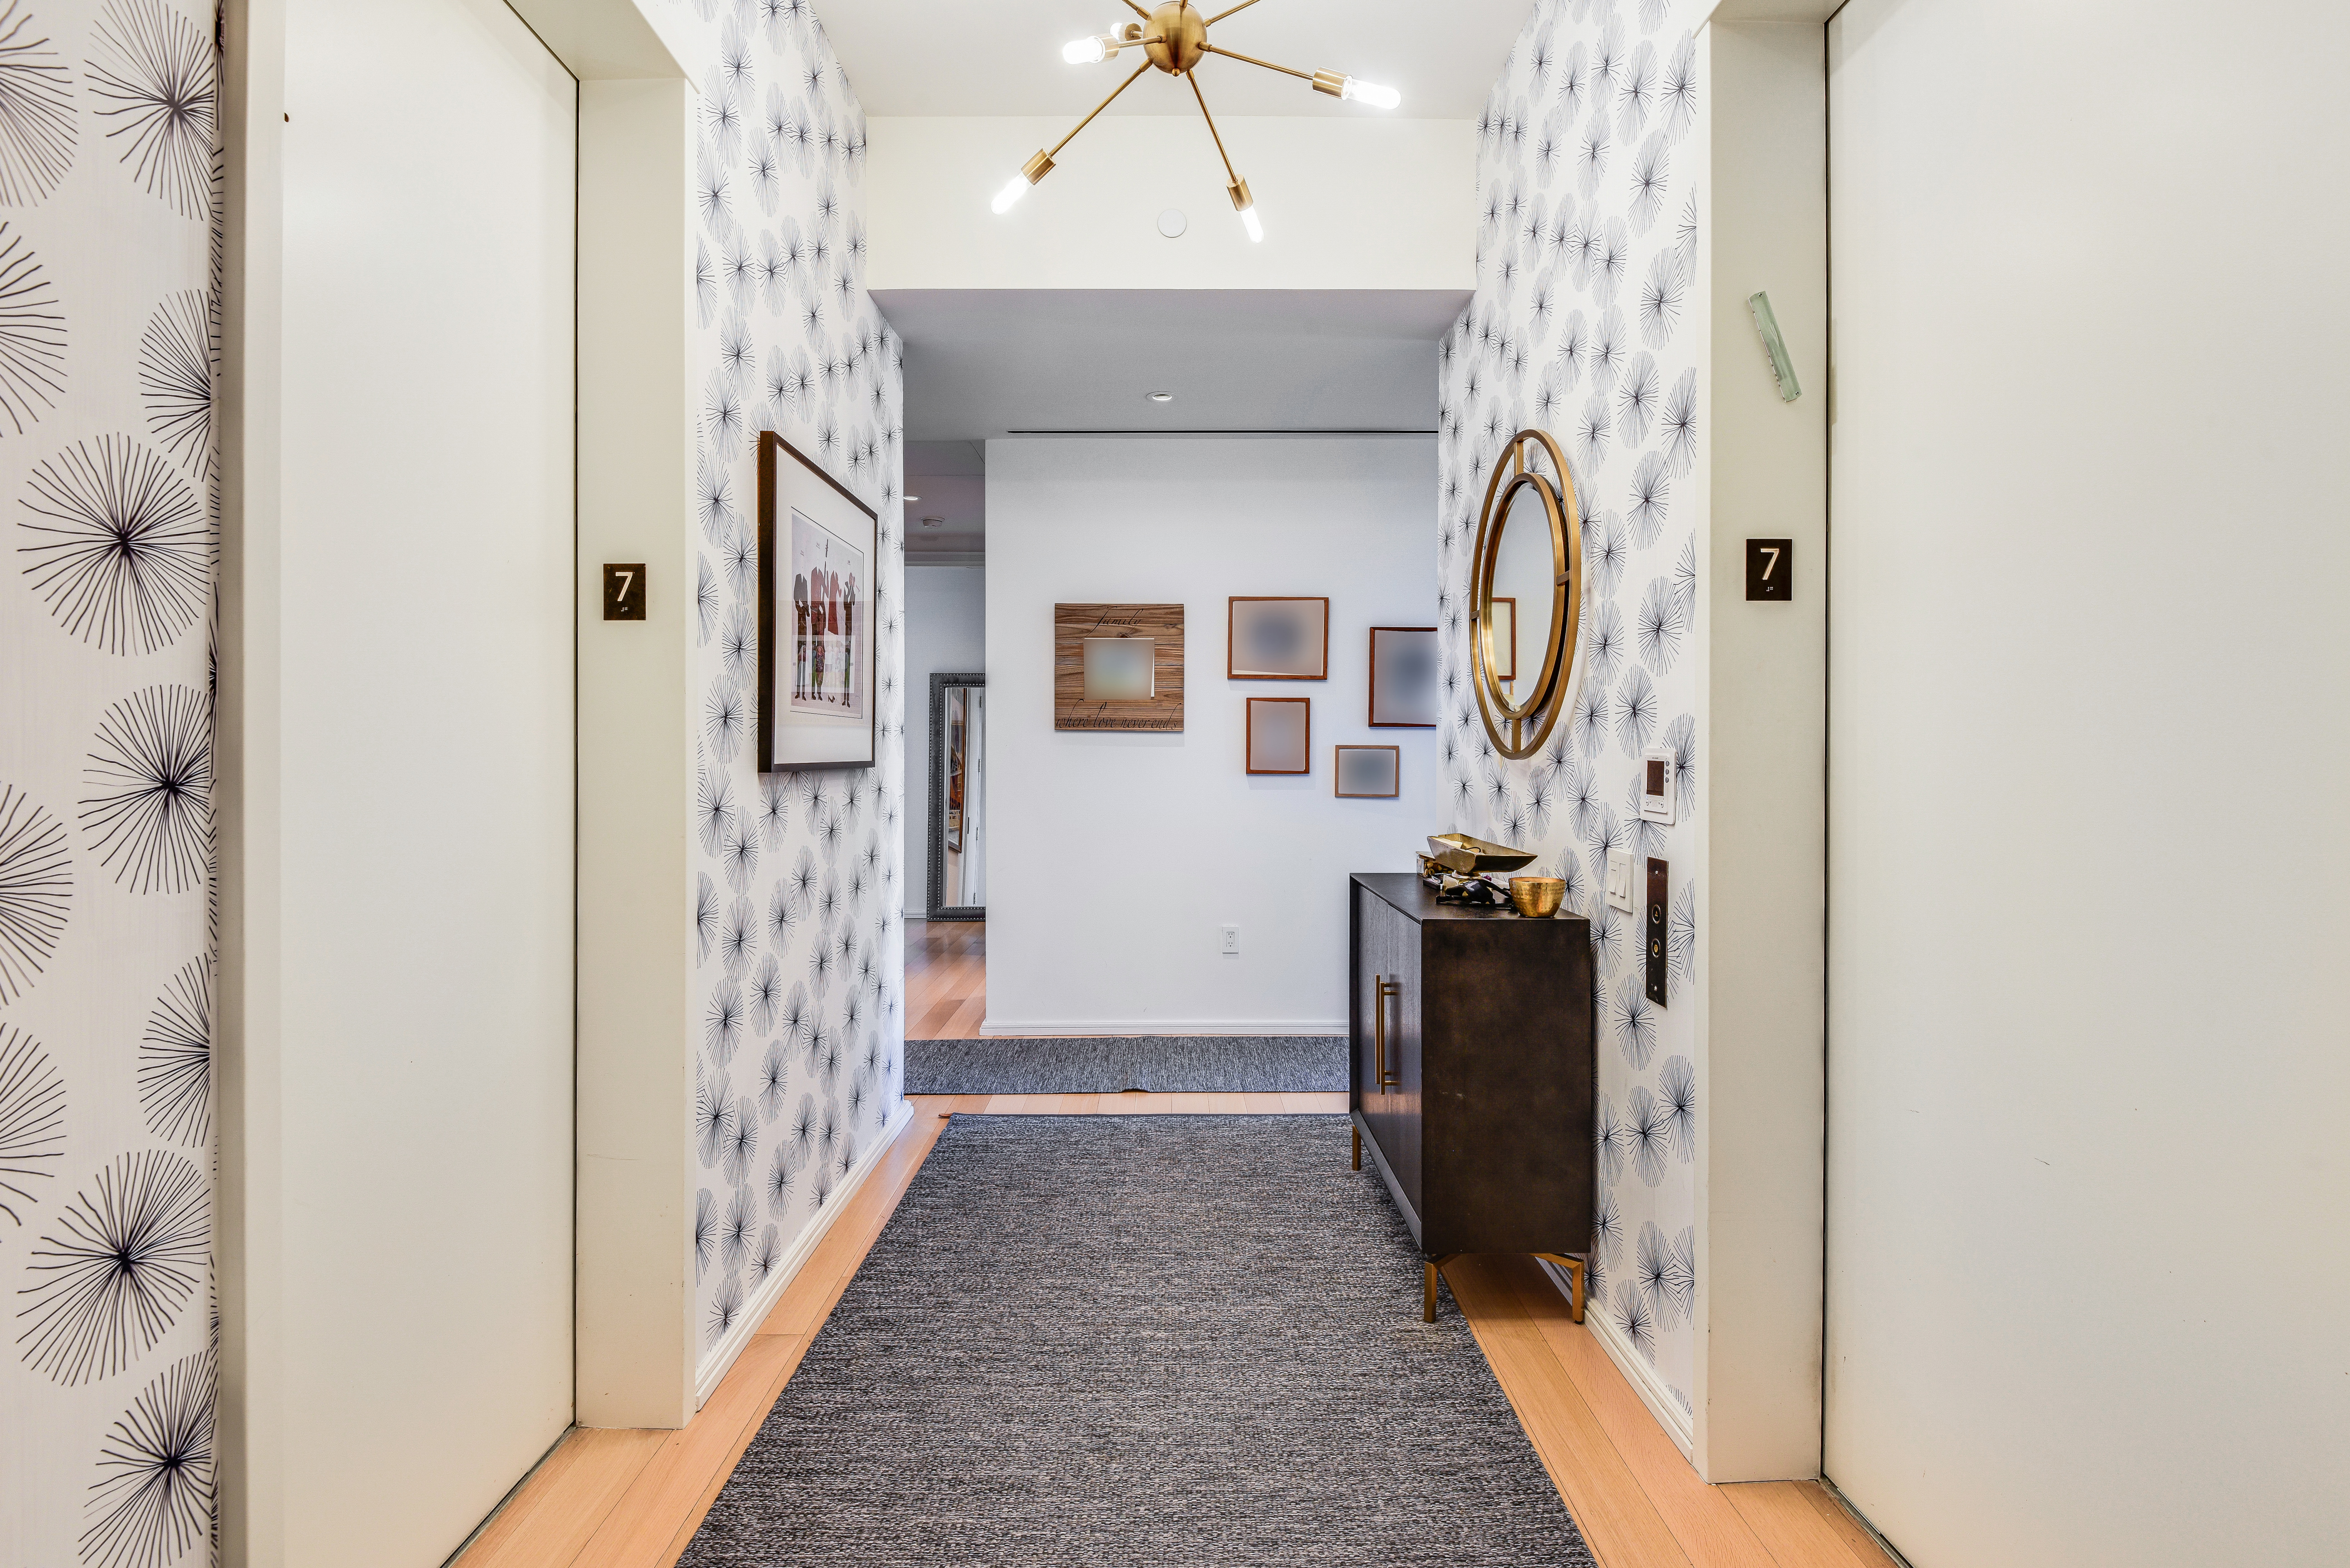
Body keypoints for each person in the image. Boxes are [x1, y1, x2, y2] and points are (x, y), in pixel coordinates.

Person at [791, 571, 809, 700]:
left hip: (805, 632)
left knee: (804, 663)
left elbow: (807, 609)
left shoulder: (806, 582)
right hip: (799, 631)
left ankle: (803, 692)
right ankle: (799, 691)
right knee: (799, 663)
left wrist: (806, 606)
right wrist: (800, 605)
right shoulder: (798, 578)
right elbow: (795, 599)